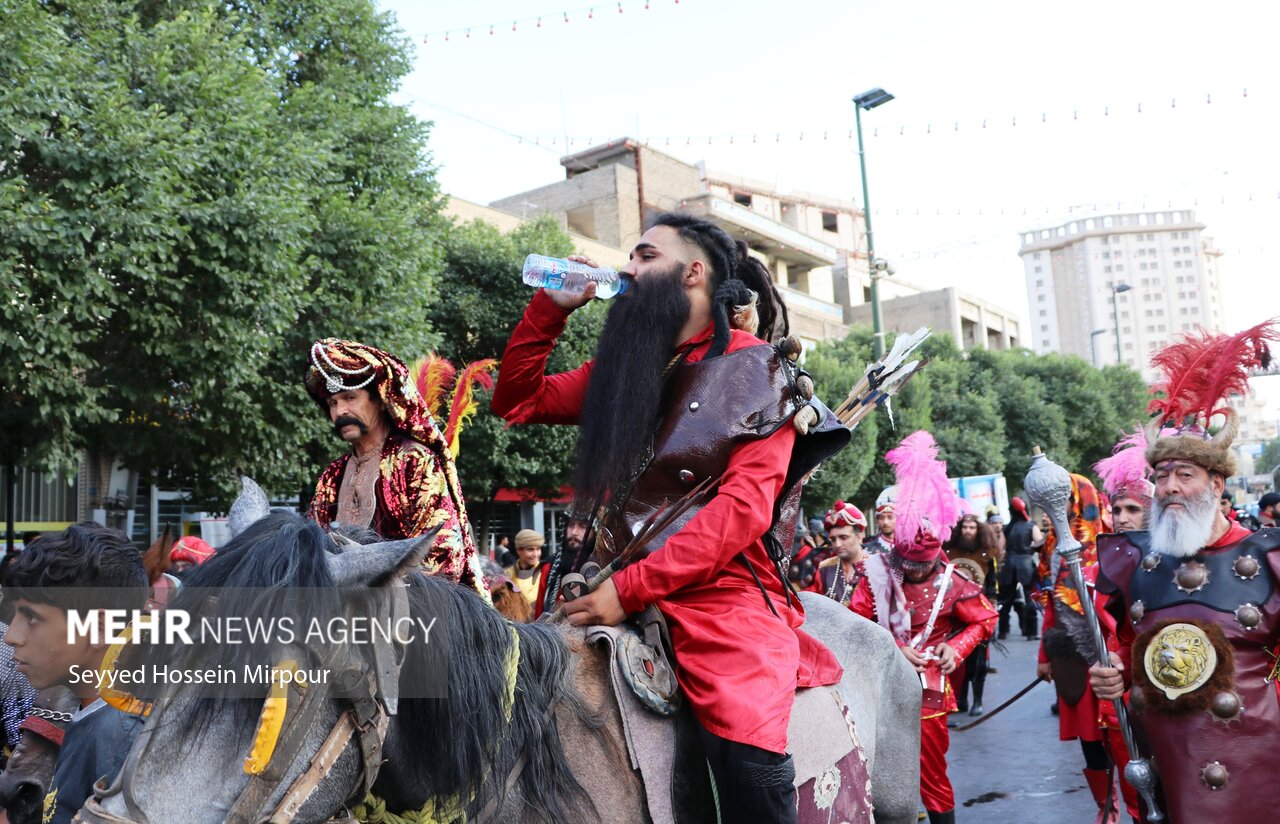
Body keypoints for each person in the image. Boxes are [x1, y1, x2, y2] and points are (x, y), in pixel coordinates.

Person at [491, 212, 847, 822]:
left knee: (745, 735)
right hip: (603, 579)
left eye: (644, 255)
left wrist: (629, 592)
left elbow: (741, 513)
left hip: (721, 593)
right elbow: (516, 400)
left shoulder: (757, 369)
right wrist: (550, 310)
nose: (628, 269)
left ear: (693, 272)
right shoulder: (627, 372)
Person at [1088, 321, 1279, 823]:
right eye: (1162, 476)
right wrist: (1115, 679)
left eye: (1185, 475)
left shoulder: (1268, 557)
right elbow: (1128, 648)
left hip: (1259, 764)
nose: (1169, 487)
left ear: (1217, 484)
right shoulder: (1136, 561)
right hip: (1167, 760)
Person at [850, 431, 996, 824]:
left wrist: (957, 647)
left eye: (923, 565)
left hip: (930, 690)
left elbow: (985, 619)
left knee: (932, 775)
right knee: (873, 769)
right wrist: (893, 647)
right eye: (909, 564)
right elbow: (857, 621)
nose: (915, 571)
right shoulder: (876, 573)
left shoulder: (952, 580)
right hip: (878, 685)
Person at [305, 338, 485, 598]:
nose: (339, 411)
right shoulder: (331, 477)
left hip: (408, 612)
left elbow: (441, 549)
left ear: (380, 400)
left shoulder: (414, 461)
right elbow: (312, 546)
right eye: (332, 403)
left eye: (350, 398)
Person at [2, 523, 149, 824]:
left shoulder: (121, 741)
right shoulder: (88, 716)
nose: (10, 636)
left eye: (31, 617)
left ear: (97, 628)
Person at [1033, 473, 1121, 822]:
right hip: (1074, 657)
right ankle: (1107, 807)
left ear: (1080, 500)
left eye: (1066, 501)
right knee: (1090, 739)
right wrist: (1044, 655)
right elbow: (1052, 603)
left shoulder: (1114, 543)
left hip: (1115, 656)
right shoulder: (1054, 545)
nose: (1060, 509)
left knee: (1123, 737)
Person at [944, 513, 1001, 716]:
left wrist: (993, 606)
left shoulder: (987, 554)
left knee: (978, 661)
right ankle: (960, 699)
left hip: (978, 614)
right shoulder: (948, 552)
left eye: (972, 527)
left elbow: (992, 584)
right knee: (957, 662)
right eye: (965, 527)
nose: (968, 531)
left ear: (979, 530)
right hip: (952, 615)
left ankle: (977, 700)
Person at [998, 497, 1041, 640]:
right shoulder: (1031, 526)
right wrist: (1030, 550)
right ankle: (1031, 632)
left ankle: (1002, 631)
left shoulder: (1007, 528)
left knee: (1006, 600)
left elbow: (1000, 548)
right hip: (1026, 563)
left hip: (1010, 564)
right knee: (1030, 598)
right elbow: (1039, 542)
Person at [810, 500, 866, 606]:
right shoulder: (825, 568)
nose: (838, 544)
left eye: (843, 537)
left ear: (859, 536)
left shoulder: (877, 567)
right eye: (833, 539)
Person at [504, 529, 551, 618]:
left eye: (538, 549)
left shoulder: (547, 572)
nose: (536, 554)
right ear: (518, 550)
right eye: (530, 550)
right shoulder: (506, 574)